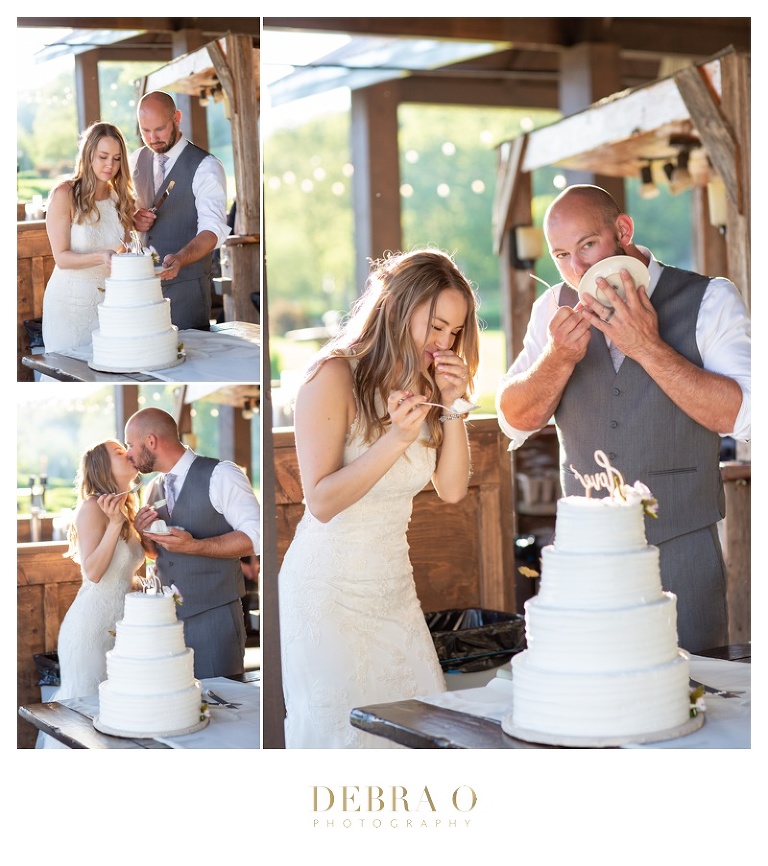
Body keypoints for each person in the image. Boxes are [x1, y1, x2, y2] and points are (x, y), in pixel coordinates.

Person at [496, 184, 751, 653]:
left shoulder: (709, 299)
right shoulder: (551, 309)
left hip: (682, 547)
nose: (577, 269)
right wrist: (555, 360)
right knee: (597, 696)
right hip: (586, 552)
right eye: (561, 255)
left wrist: (648, 349)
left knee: (693, 692)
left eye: (588, 245)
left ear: (623, 230)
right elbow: (513, 420)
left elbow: (745, 416)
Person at [278, 248, 482, 748]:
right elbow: (321, 502)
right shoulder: (333, 376)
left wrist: (453, 408)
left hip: (393, 589)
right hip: (327, 592)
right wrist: (395, 440)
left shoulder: (423, 381)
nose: (444, 343)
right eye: (436, 326)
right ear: (396, 306)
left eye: (454, 332)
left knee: (419, 734)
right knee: (345, 745)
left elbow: (453, 490)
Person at [124, 407, 260, 678]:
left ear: (151, 442)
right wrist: (144, 536)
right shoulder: (153, 489)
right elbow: (157, 555)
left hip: (215, 619)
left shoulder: (222, 474)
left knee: (222, 705)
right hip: (166, 624)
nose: (128, 453)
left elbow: (256, 536)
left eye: (130, 445)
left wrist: (196, 546)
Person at [41, 440, 145, 748]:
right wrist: (114, 526)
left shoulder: (127, 507)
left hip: (122, 629)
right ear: (103, 467)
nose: (129, 453)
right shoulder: (91, 509)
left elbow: (123, 574)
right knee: (86, 718)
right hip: (90, 630)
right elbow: (95, 573)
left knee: (117, 717)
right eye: (119, 452)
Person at [130, 90, 231, 330]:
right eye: (145, 131)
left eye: (160, 129)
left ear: (177, 117)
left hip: (187, 293)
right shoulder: (134, 161)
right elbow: (121, 213)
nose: (152, 137)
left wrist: (180, 258)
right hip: (140, 292)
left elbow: (212, 229)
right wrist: (133, 220)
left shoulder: (207, 167)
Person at [42, 122, 135, 352]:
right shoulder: (65, 194)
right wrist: (101, 256)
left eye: (116, 158)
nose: (109, 165)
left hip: (109, 306)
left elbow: (126, 248)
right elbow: (61, 258)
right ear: (88, 154)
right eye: (103, 156)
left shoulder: (121, 199)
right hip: (69, 306)